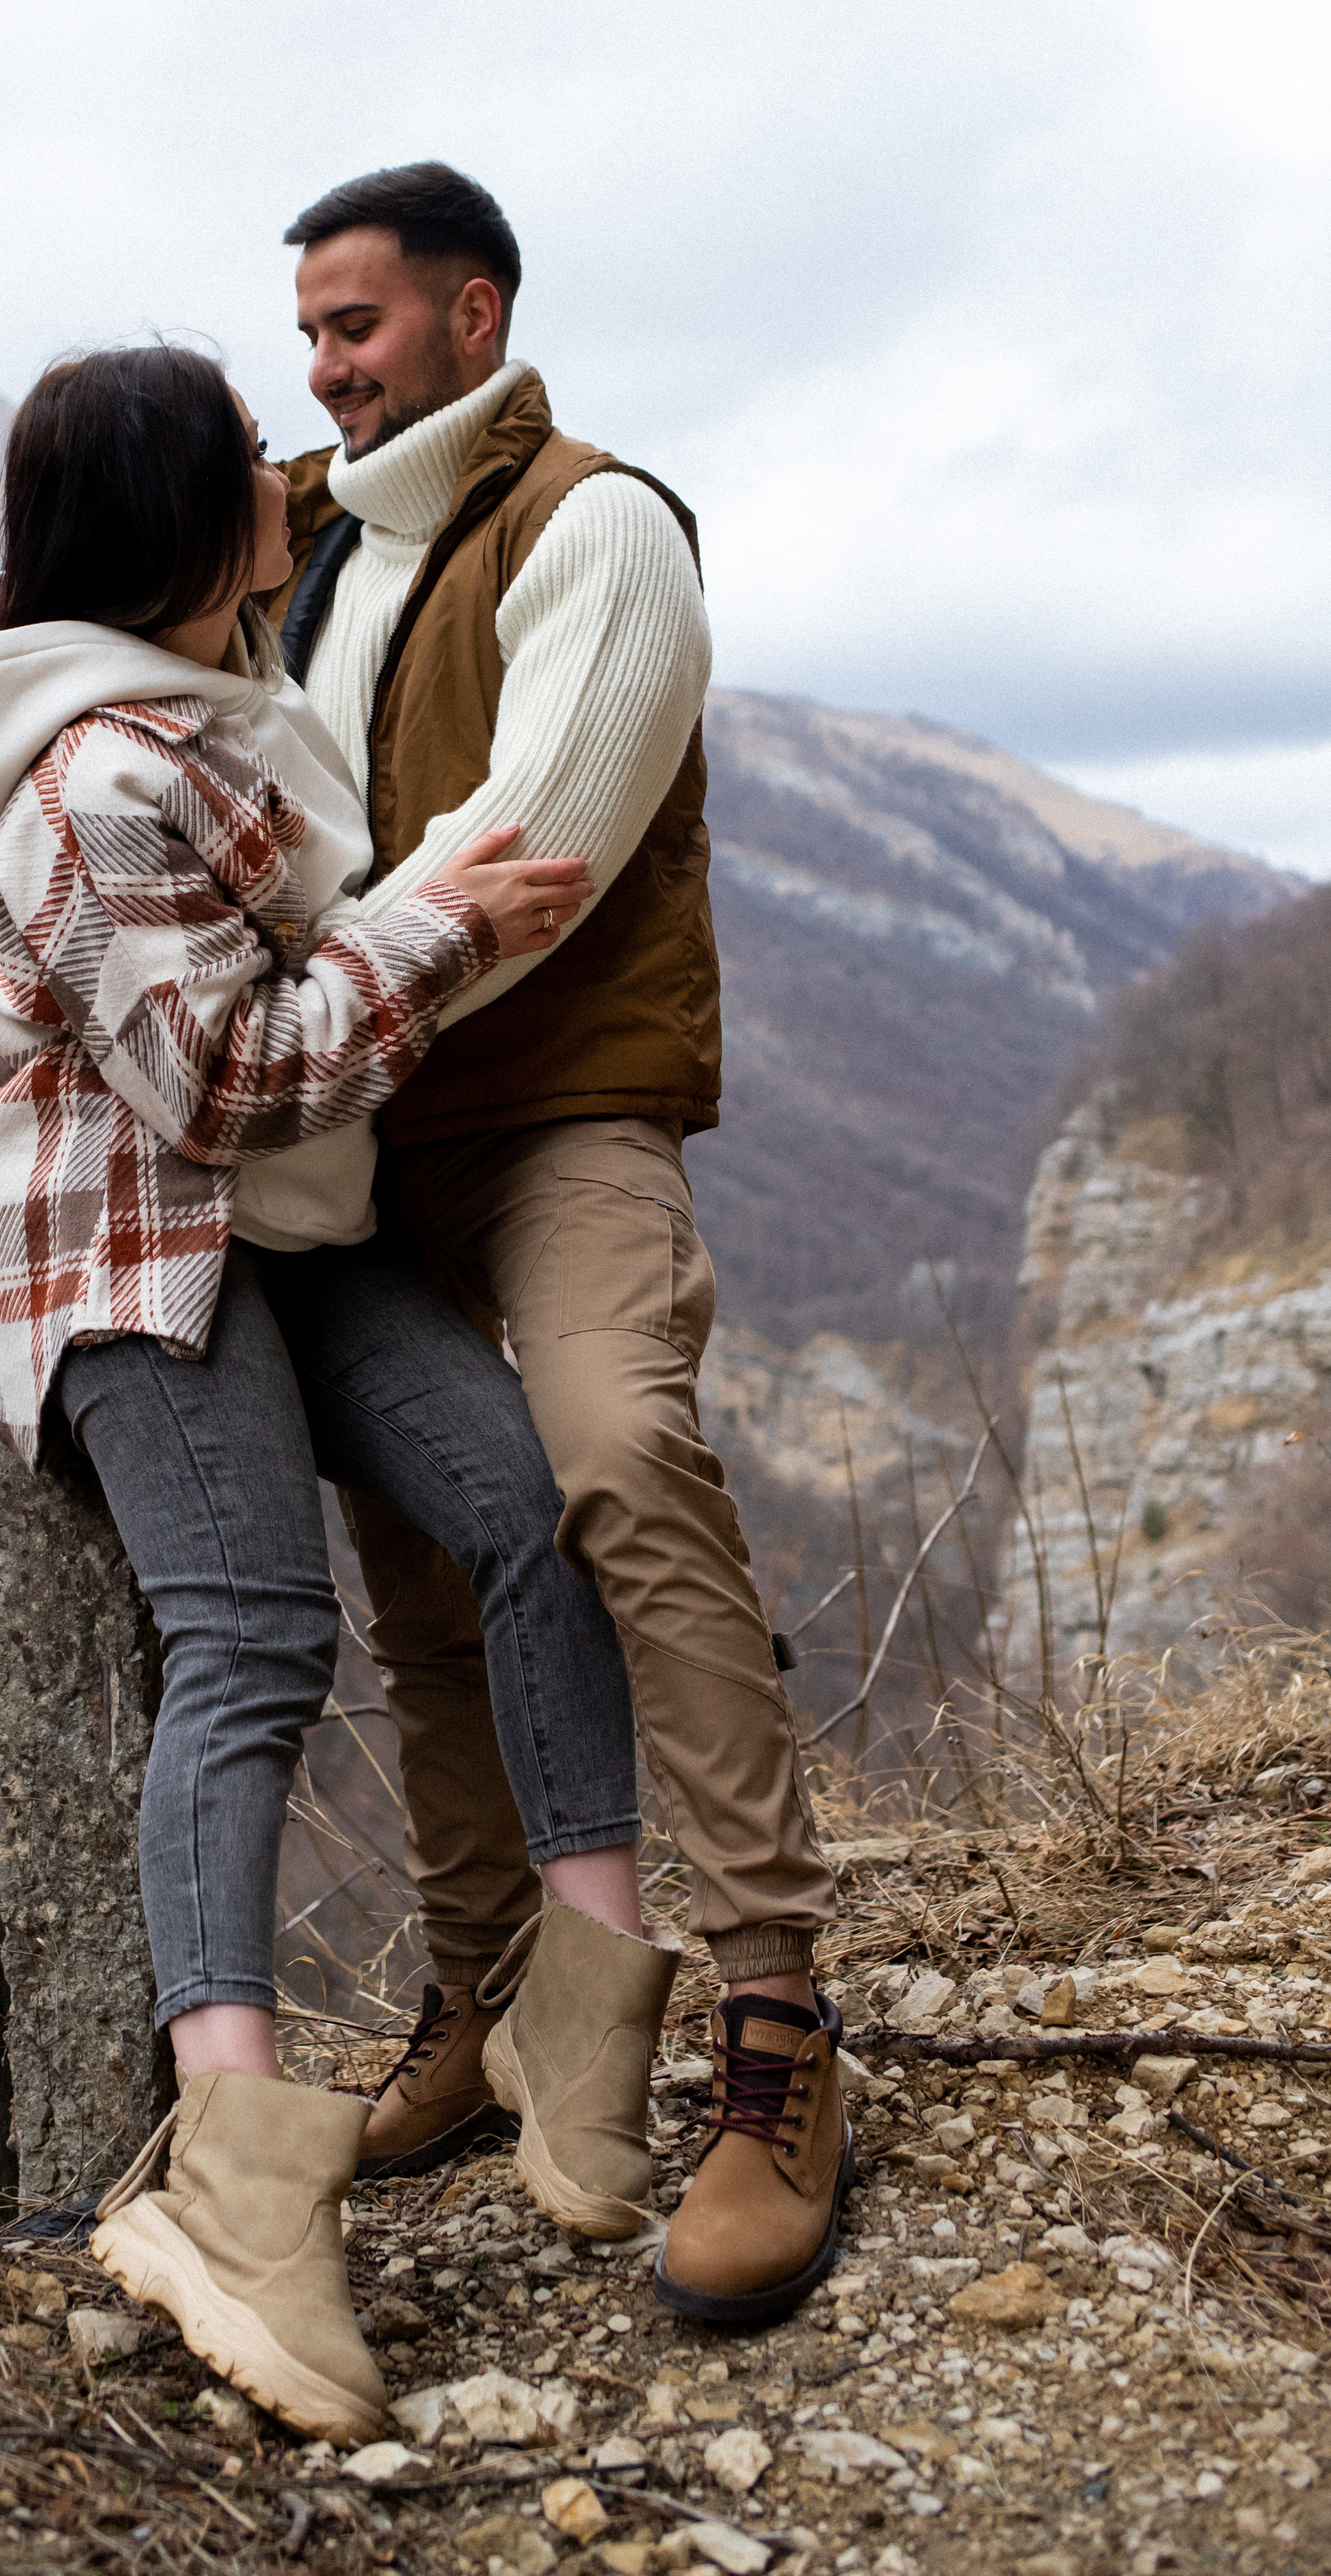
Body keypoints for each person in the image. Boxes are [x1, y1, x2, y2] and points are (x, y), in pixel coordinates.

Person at [0, 343, 652, 2443]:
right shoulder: (95, 781)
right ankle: (232, 2174)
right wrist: (428, 932)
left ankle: (586, 2029)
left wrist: (408, 925)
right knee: (252, 1641)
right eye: (249, 450)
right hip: (131, 1240)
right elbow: (219, 1085)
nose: (288, 463)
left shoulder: (235, 705)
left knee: (530, 1510)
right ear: (173, 520)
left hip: (286, 1226)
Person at [266, 163, 852, 2330]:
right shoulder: (313, 542)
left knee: (613, 1455)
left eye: (357, 325)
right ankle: (490, 2000)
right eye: (307, 327)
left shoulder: (596, 518)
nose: (320, 364)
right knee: (427, 1564)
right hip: (357, 1141)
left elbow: (533, 854)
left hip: (552, 1112)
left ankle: (775, 2025)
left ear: (474, 309)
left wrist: (302, 985)